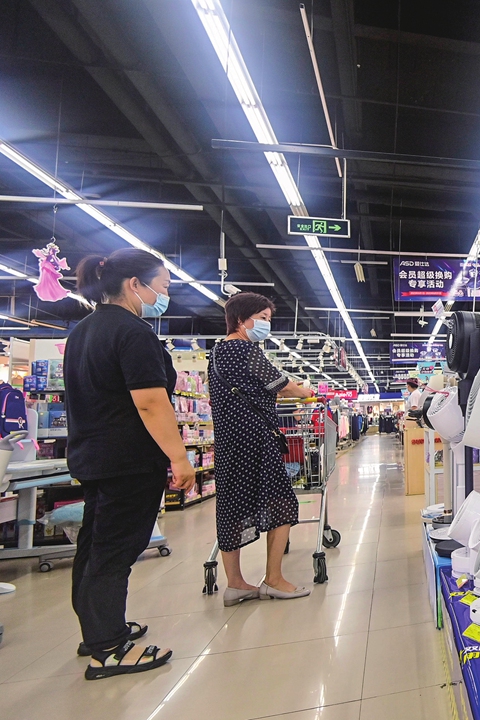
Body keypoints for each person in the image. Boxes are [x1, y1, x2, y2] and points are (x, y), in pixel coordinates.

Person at [65, 248, 195, 680]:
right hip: (128, 458)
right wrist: (179, 457)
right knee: (116, 550)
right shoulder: (133, 332)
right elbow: (151, 402)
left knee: (95, 544)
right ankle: (110, 650)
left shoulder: (82, 331)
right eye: (162, 285)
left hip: (94, 456)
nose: (165, 294)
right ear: (134, 285)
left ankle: (98, 631)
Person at [209, 292, 315, 607]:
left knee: (231, 507)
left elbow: (252, 391)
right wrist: (304, 392)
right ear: (242, 319)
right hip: (256, 439)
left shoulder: (216, 354)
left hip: (229, 443)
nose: (267, 324)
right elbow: (283, 384)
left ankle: (236, 584)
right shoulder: (244, 348)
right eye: (264, 318)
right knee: (282, 502)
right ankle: (274, 579)